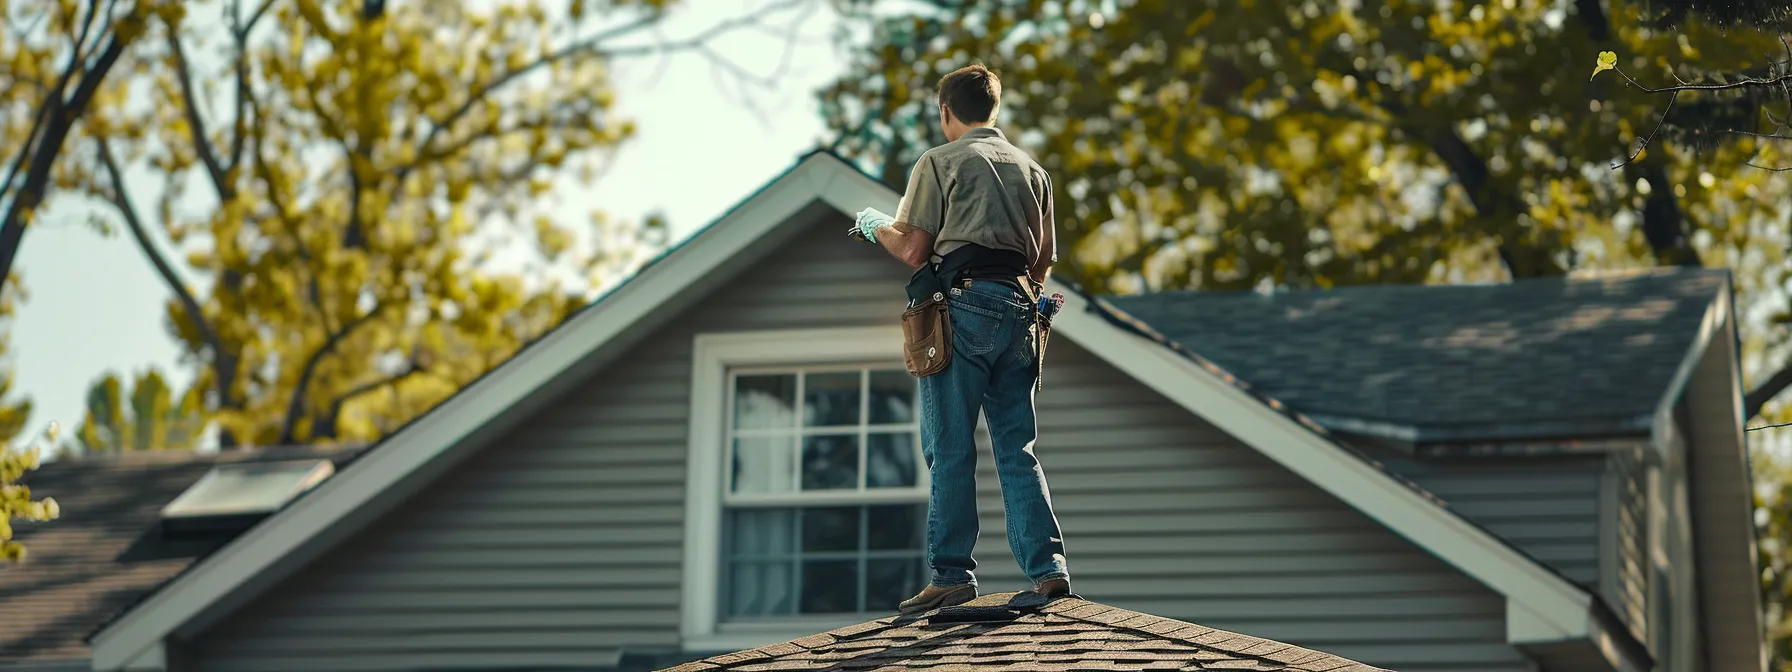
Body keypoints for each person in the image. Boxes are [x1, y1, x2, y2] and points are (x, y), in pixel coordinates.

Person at [850, 64, 1071, 614]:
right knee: (1017, 448)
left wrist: (873, 221)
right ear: (993, 110)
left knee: (948, 448)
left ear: (946, 112)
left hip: (963, 307)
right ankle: (1048, 570)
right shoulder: (1033, 170)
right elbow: (1042, 262)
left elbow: (913, 250)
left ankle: (952, 574)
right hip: (1022, 310)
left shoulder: (939, 161)